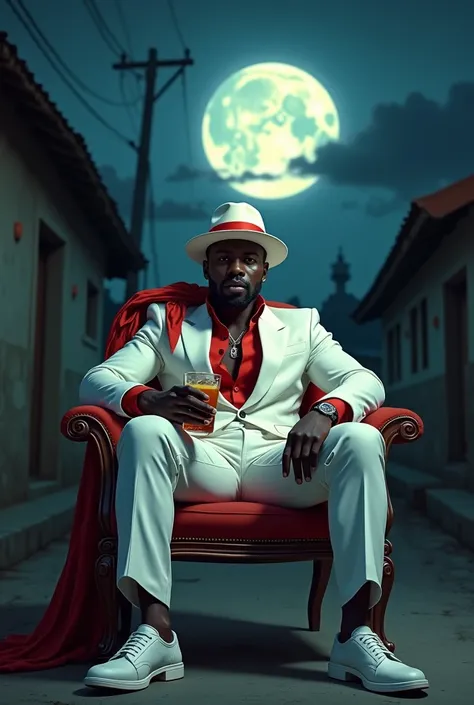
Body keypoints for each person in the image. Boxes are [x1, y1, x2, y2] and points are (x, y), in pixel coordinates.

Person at [79, 201, 429, 694]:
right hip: (201, 458)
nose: (235, 267)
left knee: (361, 436)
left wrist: (324, 411)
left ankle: (356, 636)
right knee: (143, 430)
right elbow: (97, 381)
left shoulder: (303, 327)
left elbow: (363, 380)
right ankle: (155, 632)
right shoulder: (169, 321)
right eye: (223, 258)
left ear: (264, 269)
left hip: (281, 463)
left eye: (248, 258)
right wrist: (149, 397)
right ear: (207, 267)